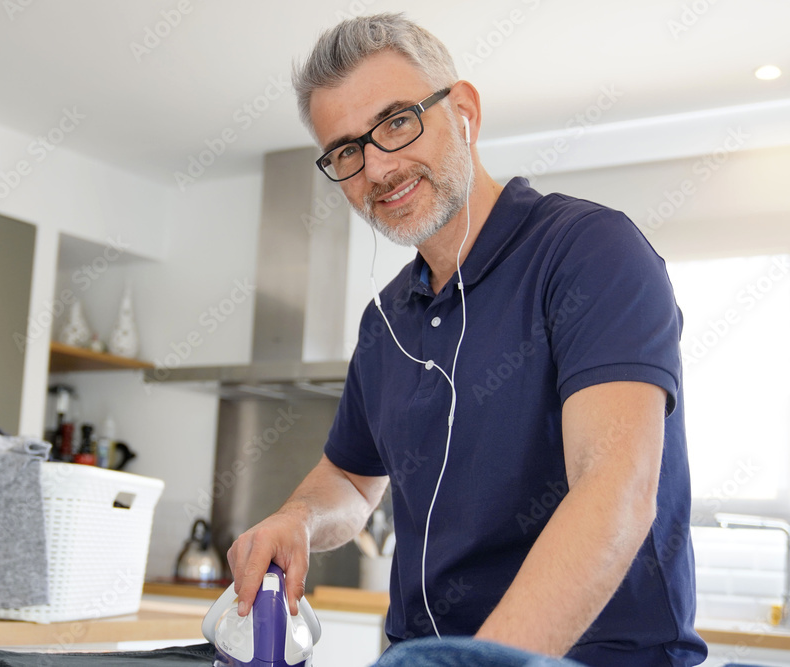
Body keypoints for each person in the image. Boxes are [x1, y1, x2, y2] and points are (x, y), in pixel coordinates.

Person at [226, 13, 707, 667]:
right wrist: (299, 517)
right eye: (346, 150)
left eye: (397, 121)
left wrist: (479, 663)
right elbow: (351, 476)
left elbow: (613, 484)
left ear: (464, 110)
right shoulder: (386, 318)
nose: (378, 167)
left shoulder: (589, 252)